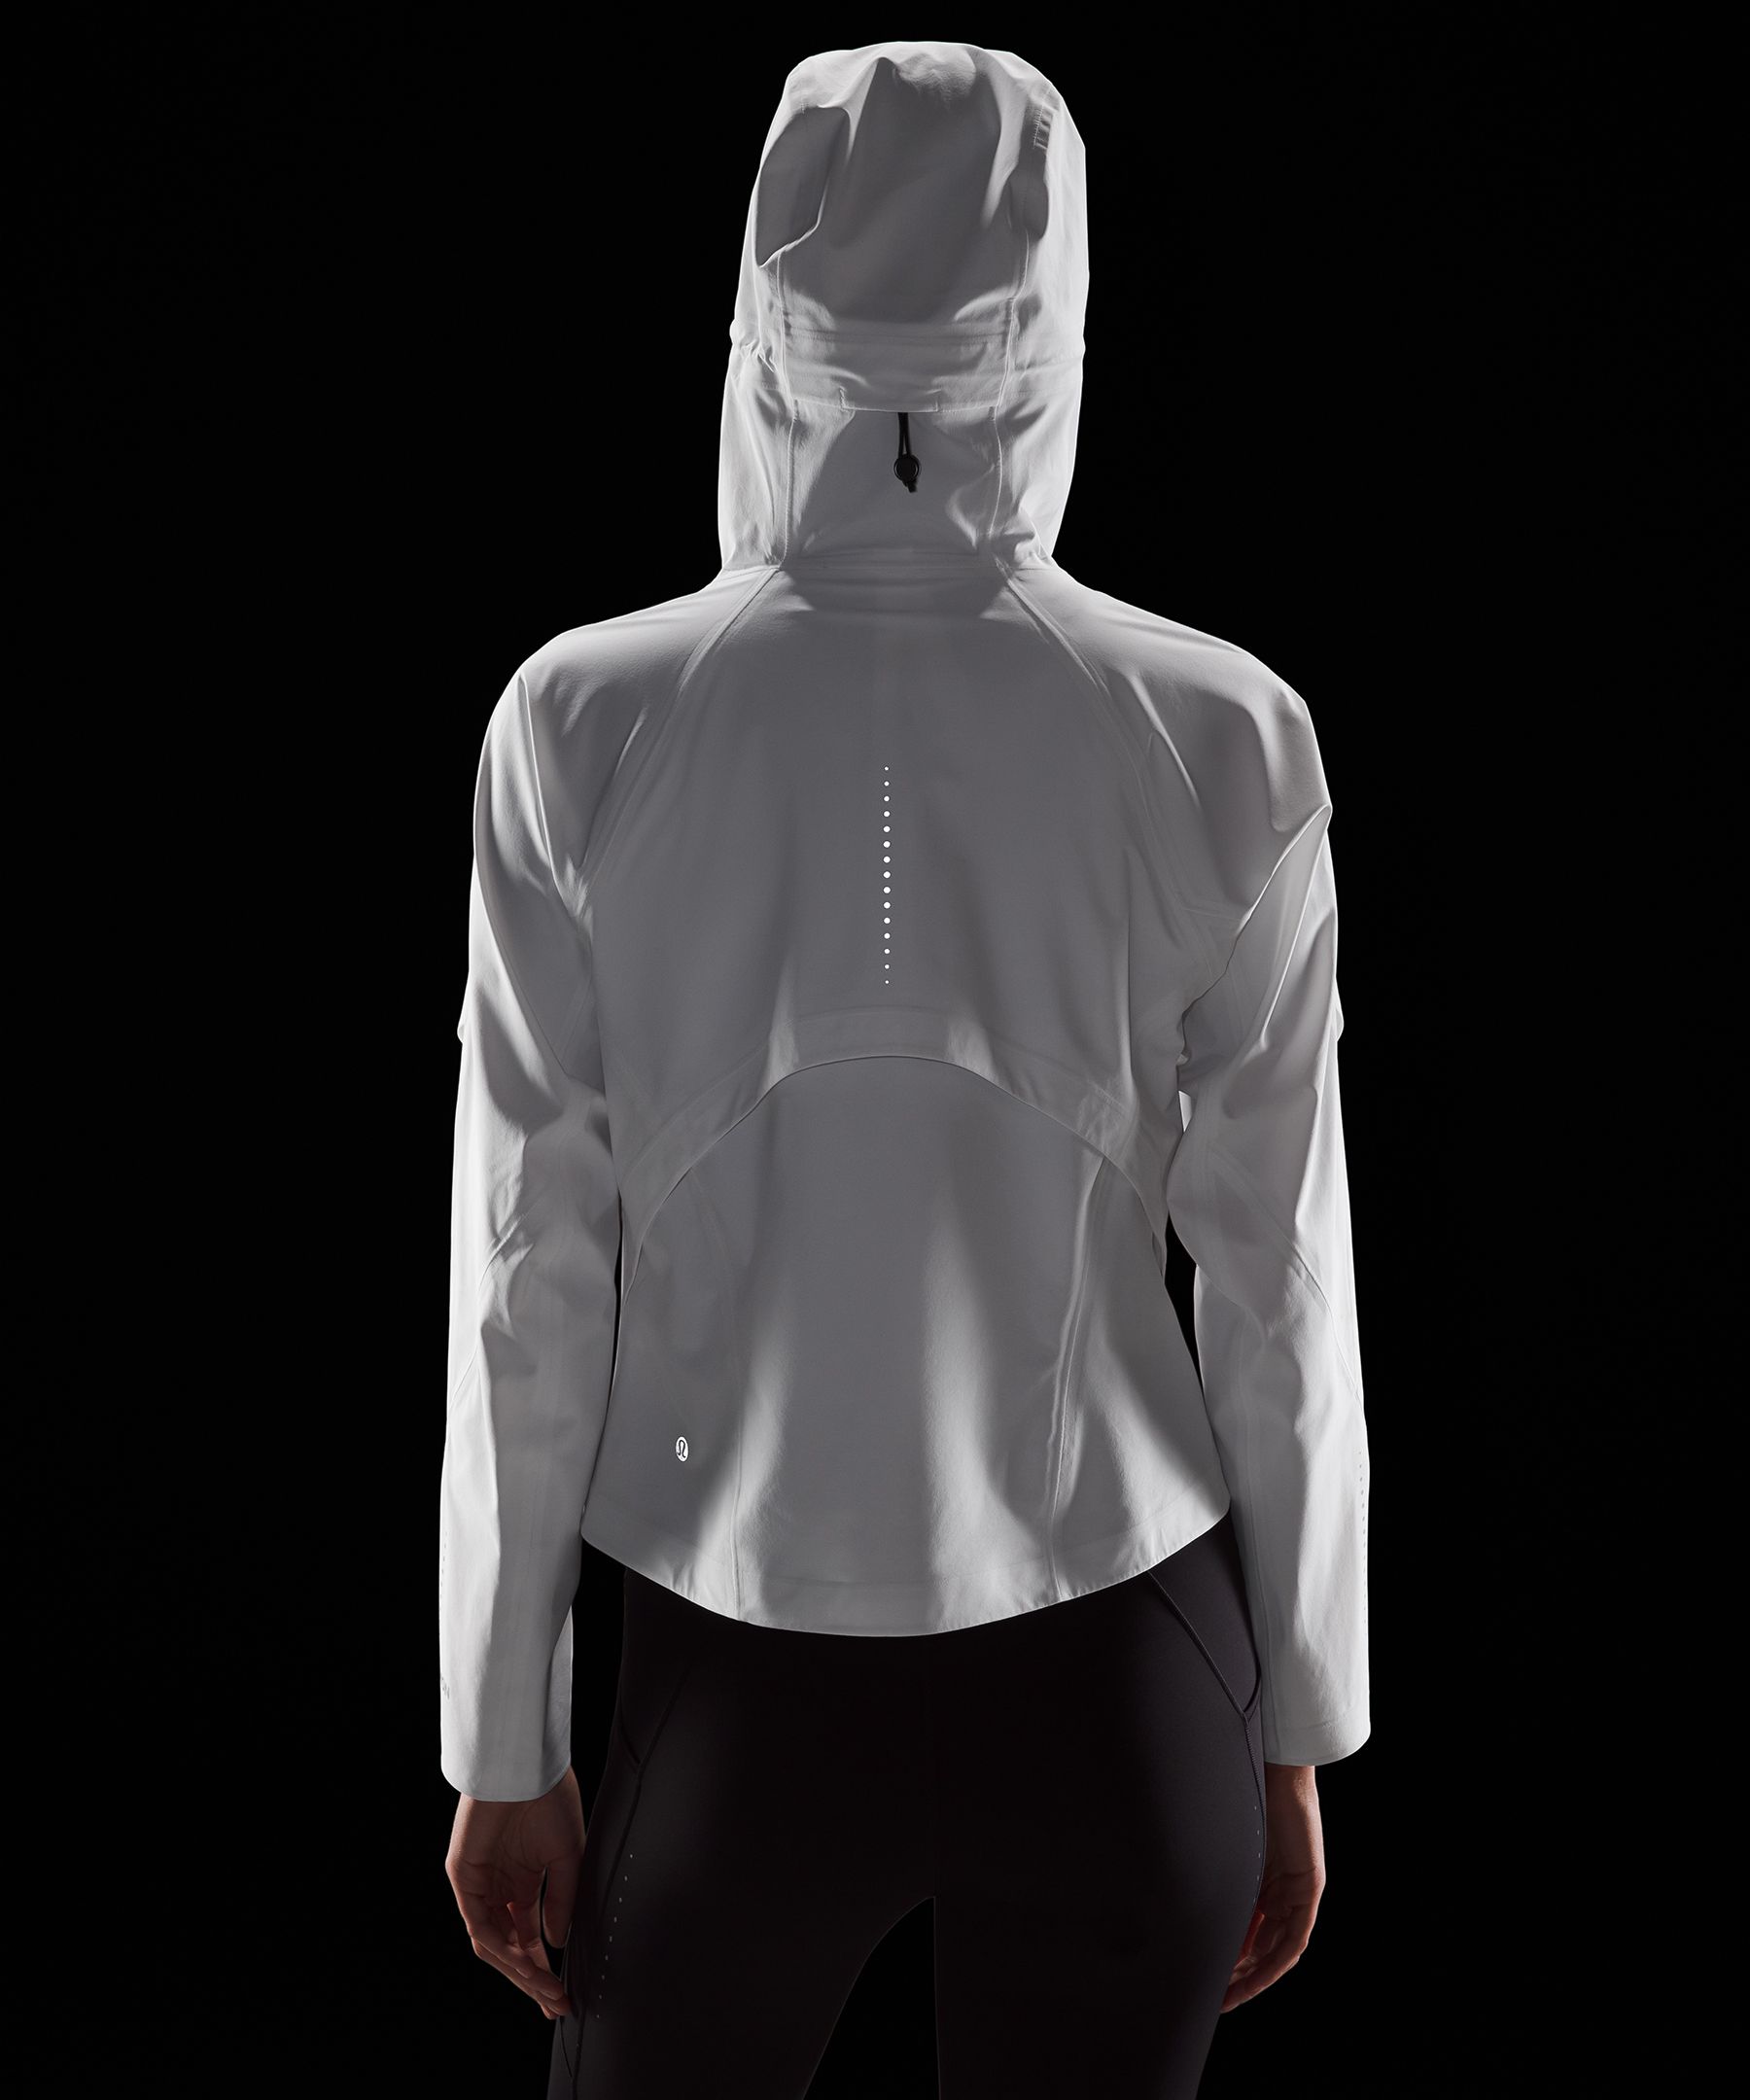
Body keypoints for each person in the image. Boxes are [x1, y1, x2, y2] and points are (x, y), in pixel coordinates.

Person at [438, 40, 1370, 2100]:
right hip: (1131, 1676)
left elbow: (528, 1276)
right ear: (1060, 321)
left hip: (734, 1696)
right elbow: (1281, 1281)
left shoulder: (577, 723)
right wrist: (1302, 1715)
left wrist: (501, 1740)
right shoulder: (1230, 734)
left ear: (759, 317)